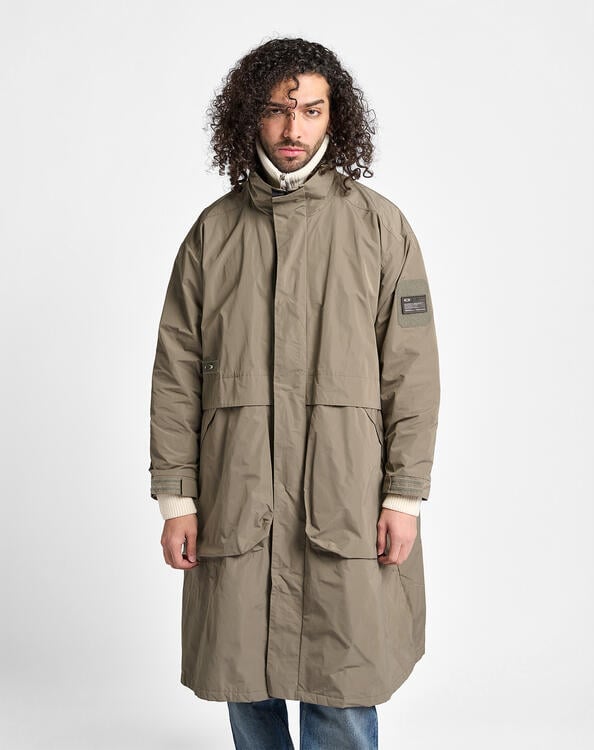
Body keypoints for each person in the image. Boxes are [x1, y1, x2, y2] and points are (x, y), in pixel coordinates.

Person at [148, 37, 441, 750]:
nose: (293, 128)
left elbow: (412, 371)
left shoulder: (379, 227)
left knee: (340, 683)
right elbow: (176, 373)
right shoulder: (214, 233)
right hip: (237, 496)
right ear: (250, 115)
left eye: (311, 110)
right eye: (279, 110)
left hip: (344, 496)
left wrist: (403, 495)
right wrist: (177, 499)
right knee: (244, 679)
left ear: (335, 117)